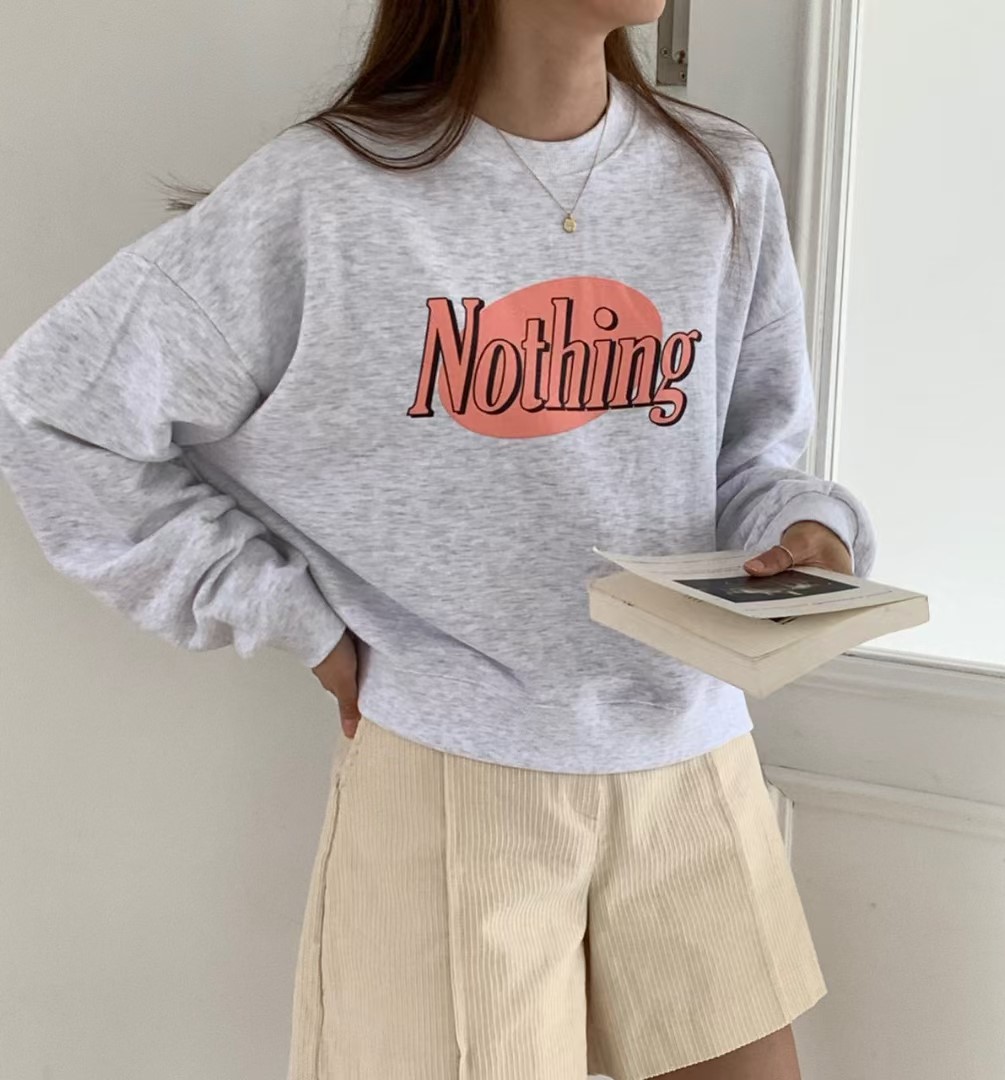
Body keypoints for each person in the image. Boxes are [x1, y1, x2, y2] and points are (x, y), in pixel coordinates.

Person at [0, 1, 875, 1077]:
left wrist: (802, 532)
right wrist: (293, 619)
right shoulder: (326, 194)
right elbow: (54, 412)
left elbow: (745, 456)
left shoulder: (720, 178)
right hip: (459, 779)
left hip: (692, 754)